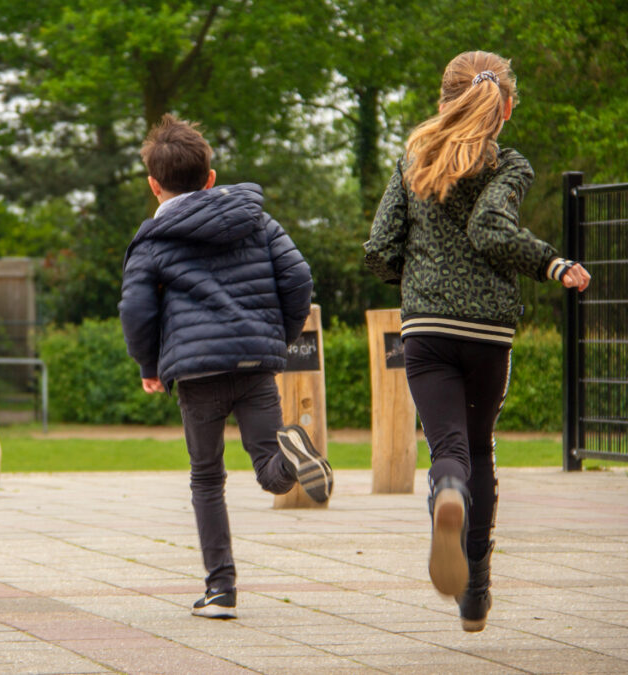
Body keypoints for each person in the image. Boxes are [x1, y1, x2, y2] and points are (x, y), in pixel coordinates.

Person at [364, 51, 591, 632]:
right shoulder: (508, 164)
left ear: (444, 101)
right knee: (482, 445)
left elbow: (380, 247)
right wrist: (551, 263)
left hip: (426, 328)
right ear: (505, 108)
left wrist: (417, 277)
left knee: (450, 450)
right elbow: (490, 228)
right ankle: (476, 592)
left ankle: (447, 491)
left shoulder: (413, 158)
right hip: (487, 330)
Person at [119, 114, 333, 620]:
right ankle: (294, 452)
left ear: (154, 185)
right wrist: (277, 337)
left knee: (206, 477)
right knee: (269, 471)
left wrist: (149, 364)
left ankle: (221, 590)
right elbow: (299, 276)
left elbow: (135, 309)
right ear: (211, 176)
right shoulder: (255, 219)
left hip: (197, 373)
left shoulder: (151, 239)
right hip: (255, 361)